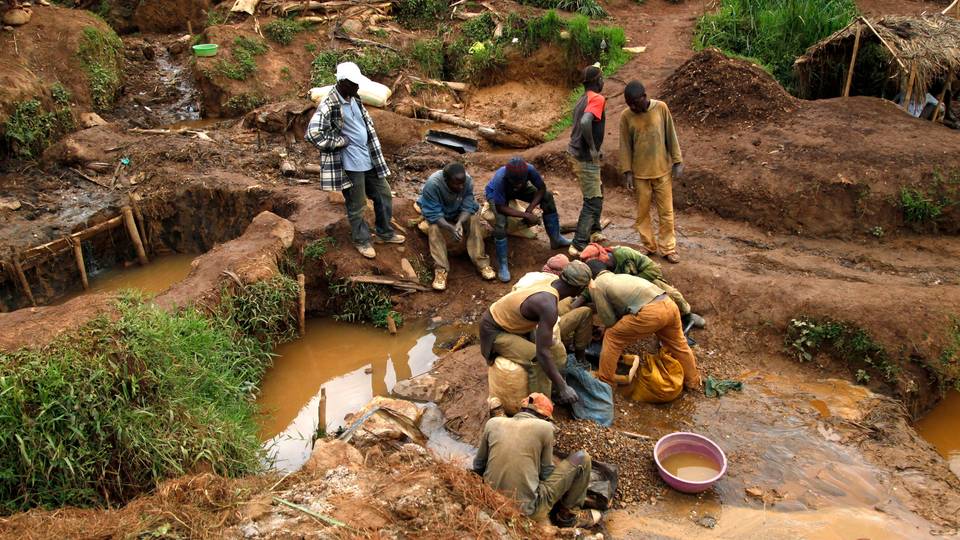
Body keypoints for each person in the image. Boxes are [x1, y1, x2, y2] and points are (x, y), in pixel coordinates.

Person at [305, 62, 404, 259]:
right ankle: (362, 240)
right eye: (354, 84)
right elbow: (312, 133)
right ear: (342, 82)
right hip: (351, 164)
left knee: (383, 194)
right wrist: (339, 141)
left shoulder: (354, 98)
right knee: (357, 203)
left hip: (368, 157)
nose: (358, 87)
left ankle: (384, 232)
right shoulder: (330, 103)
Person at [473, 393, 598, 527]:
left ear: (521, 409)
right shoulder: (545, 428)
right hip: (528, 511)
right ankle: (567, 516)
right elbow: (546, 474)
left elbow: (478, 465)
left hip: (491, 500)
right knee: (582, 458)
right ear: (545, 417)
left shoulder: (492, 423)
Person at [479, 261, 594, 404]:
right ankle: (539, 409)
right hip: (494, 331)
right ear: (578, 288)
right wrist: (563, 387)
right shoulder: (548, 305)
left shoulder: (552, 282)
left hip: (513, 323)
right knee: (538, 360)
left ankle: (554, 391)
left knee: (554, 351)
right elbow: (542, 354)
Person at [576, 259, 701, 390]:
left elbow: (609, 320)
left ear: (590, 276)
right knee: (678, 344)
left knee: (612, 337)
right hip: (669, 304)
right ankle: (693, 381)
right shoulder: (619, 276)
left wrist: (604, 329)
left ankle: (605, 381)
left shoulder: (596, 284)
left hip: (651, 312)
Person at [619, 80, 683, 264]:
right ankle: (649, 246)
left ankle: (668, 248)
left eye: (635, 103)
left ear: (644, 97)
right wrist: (627, 172)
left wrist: (677, 161)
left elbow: (671, 134)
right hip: (640, 174)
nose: (632, 107)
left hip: (662, 171)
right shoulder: (626, 116)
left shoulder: (661, 108)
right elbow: (625, 145)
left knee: (666, 212)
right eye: (629, 104)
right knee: (642, 213)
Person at [485, 157, 571, 283]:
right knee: (501, 223)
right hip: (496, 196)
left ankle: (556, 239)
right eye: (514, 182)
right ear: (508, 178)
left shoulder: (530, 170)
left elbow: (542, 189)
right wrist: (525, 216)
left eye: (520, 182)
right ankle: (503, 265)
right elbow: (501, 207)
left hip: (518, 192)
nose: (517, 185)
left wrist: (529, 209)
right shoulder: (500, 179)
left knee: (547, 197)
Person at [580, 243, 704, 329]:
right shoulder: (596, 269)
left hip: (644, 283)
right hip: (622, 295)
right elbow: (591, 286)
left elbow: (653, 269)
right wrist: (577, 301)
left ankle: (686, 315)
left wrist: (633, 282)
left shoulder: (625, 254)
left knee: (670, 293)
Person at [417, 162, 496, 290]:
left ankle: (482, 263)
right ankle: (441, 270)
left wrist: (459, 223)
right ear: (446, 180)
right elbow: (434, 214)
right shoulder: (433, 184)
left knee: (474, 219)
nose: (461, 187)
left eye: (462, 183)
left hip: (458, 212)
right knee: (434, 228)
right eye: (456, 184)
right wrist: (450, 228)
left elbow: (468, 205)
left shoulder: (467, 181)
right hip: (440, 214)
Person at [567, 64, 607, 257]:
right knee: (592, 201)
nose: (603, 80)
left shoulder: (582, 99)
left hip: (576, 153)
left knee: (598, 189)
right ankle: (578, 243)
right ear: (597, 81)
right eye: (602, 77)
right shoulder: (597, 99)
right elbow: (585, 123)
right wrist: (592, 148)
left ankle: (595, 230)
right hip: (584, 157)